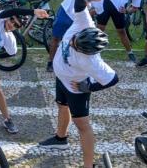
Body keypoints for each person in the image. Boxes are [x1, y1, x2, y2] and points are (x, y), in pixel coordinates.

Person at [39, 25, 118, 168]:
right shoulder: (80, 24)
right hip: (62, 79)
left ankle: (89, 166)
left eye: (76, 46)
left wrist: (89, 87)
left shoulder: (92, 61)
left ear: (87, 52)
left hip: (76, 89)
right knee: (62, 106)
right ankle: (60, 139)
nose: (70, 43)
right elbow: (80, 5)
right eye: (74, 40)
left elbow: (113, 79)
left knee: (82, 125)